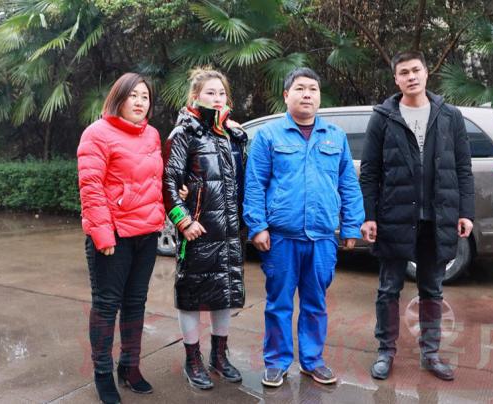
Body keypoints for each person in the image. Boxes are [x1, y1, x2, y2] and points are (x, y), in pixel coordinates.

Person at [243, 67, 365, 387]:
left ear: (319, 96)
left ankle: (312, 361)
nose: (307, 94)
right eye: (300, 88)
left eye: (313, 89)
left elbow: (348, 184)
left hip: (322, 237)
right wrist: (257, 226)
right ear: (287, 95)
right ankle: (276, 361)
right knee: (279, 303)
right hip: (281, 237)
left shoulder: (335, 136)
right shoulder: (269, 135)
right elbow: (255, 184)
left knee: (315, 303)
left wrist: (351, 226)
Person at [359, 51, 475, 382]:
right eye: (404, 72)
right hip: (395, 216)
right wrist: (369, 216)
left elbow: (463, 168)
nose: (411, 76)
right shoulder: (384, 118)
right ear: (396, 79)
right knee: (389, 289)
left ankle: (431, 353)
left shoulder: (449, 116)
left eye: (416, 70)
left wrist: (465, 212)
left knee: (432, 289)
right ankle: (386, 351)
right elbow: (370, 171)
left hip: (437, 218)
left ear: (426, 73)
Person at [77, 73, 165, 404]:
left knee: (135, 302)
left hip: (147, 233)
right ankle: (102, 373)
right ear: (119, 98)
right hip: (113, 235)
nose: (140, 102)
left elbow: (155, 180)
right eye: (133, 95)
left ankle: (130, 366)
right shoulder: (97, 134)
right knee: (106, 304)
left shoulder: (152, 134)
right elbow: (91, 186)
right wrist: (102, 234)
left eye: (145, 96)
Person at [163, 68, 247, 390]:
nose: (217, 98)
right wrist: (183, 220)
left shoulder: (231, 134)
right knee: (191, 295)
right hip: (197, 231)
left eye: (221, 93)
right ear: (195, 96)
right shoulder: (183, 133)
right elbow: (169, 182)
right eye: (210, 92)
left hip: (228, 231)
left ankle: (219, 356)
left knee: (223, 293)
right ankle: (193, 359)